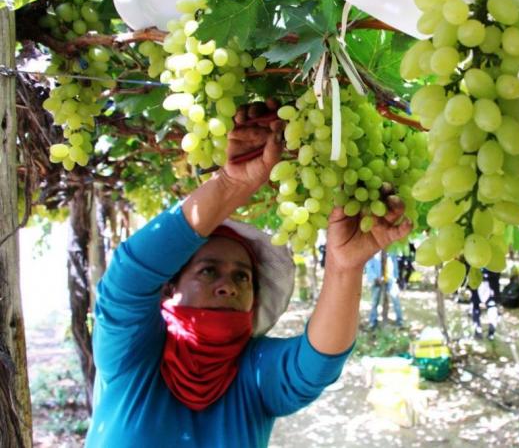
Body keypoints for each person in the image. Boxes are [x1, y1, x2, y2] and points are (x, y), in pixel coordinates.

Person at [85, 101, 412, 447]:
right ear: (169, 288)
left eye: (243, 277)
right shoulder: (133, 355)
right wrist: (229, 186)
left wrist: (344, 269)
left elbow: (315, 366)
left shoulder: (252, 372)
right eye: (208, 271)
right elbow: (126, 281)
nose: (228, 285)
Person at [366, 251, 404, 329]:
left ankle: (400, 321)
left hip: (390, 279)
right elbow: (369, 266)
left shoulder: (391, 252)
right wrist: (375, 278)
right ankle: (373, 322)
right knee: (374, 302)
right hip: (377, 280)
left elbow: (395, 264)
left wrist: (396, 277)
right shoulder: (374, 252)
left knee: (395, 299)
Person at [470, 269, 500, 340]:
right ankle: (478, 330)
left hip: (490, 287)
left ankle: (490, 332)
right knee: (476, 310)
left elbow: (496, 275)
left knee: (492, 310)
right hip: (478, 286)